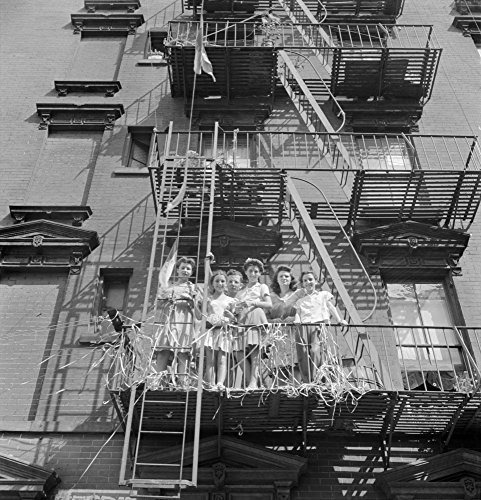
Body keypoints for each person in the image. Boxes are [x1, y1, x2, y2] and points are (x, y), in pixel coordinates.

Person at [155, 256, 201, 387]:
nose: (185, 271)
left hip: (185, 323)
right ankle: (157, 381)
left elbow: (199, 314)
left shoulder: (194, 289)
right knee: (164, 350)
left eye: (188, 269)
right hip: (170, 321)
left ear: (191, 272)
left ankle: (183, 382)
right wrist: (167, 300)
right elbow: (159, 307)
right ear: (177, 270)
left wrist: (192, 301)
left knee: (183, 352)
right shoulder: (169, 288)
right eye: (183, 268)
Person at [294, 271, 347, 383]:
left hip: (318, 326)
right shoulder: (300, 301)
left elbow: (331, 307)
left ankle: (317, 379)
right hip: (303, 327)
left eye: (310, 279)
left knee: (315, 350)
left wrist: (340, 320)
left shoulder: (323, 295)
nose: (308, 282)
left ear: (316, 281)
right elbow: (298, 313)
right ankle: (307, 380)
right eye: (305, 280)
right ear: (302, 284)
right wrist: (297, 319)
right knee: (303, 354)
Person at [234, 258, 272, 389]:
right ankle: (250, 379)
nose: (253, 274)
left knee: (255, 350)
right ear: (245, 272)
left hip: (256, 316)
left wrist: (253, 302)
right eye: (250, 271)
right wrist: (236, 309)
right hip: (243, 320)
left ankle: (253, 382)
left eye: (256, 271)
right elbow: (235, 309)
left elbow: (269, 304)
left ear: (260, 273)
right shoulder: (241, 291)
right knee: (239, 352)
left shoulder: (262, 287)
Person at [266, 265, 304, 384]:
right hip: (277, 335)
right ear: (276, 279)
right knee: (279, 367)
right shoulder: (271, 297)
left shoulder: (297, 294)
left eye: (286, 276)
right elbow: (266, 316)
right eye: (281, 276)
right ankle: (280, 395)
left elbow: (304, 311)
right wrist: (273, 321)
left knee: (295, 365)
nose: (284, 278)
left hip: (294, 334)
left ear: (291, 279)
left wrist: (293, 318)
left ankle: (296, 392)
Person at [203, 270, 237, 389]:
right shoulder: (208, 299)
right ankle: (211, 383)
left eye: (223, 281)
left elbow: (234, 319)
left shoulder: (231, 301)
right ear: (212, 283)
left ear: (226, 283)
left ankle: (220, 383)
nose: (220, 283)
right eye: (217, 281)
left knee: (222, 358)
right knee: (211, 359)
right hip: (211, 330)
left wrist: (231, 317)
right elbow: (202, 315)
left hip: (224, 331)